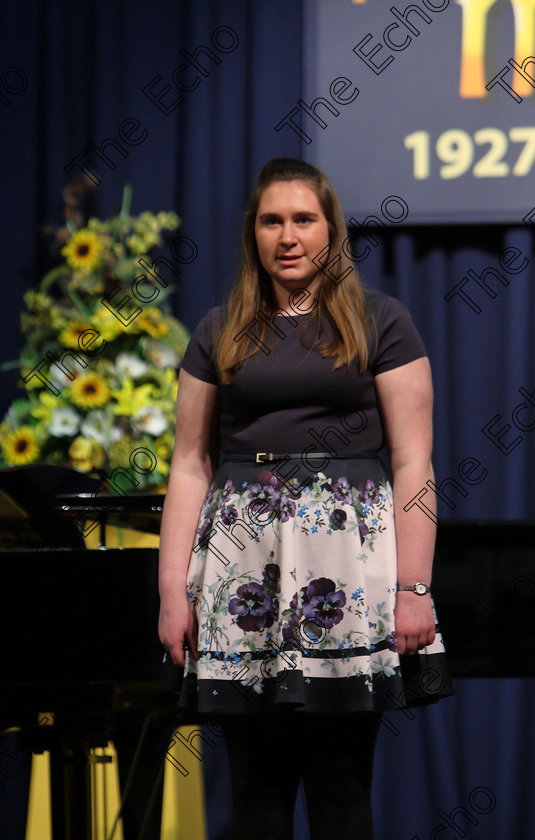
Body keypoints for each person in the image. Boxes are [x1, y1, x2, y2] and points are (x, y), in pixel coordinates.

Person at [158, 157, 453, 840]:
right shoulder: (218, 330)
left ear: (330, 231)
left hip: (346, 575)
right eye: (271, 221)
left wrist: (415, 587)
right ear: (252, 234)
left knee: (341, 790)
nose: (287, 236)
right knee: (256, 797)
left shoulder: (382, 322)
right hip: (242, 576)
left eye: (303, 219)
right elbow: (188, 466)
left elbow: (412, 464)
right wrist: (175, 591)